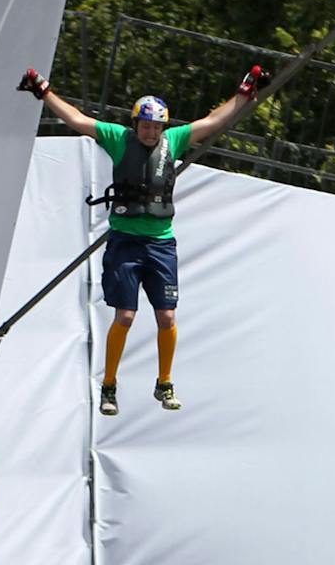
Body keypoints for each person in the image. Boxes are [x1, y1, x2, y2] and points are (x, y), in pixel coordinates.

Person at [17, 64, 265, 415]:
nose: (151, 132)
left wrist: (243, 94)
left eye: (157, 126)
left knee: (167, 316)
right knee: (126, 316)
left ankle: (165, 383)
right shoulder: (118, 139)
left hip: (161, 244)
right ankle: (109, 386)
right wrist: (45, 92)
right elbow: (76, 119)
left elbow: (212, 123)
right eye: (146, 125)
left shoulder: (174, 141)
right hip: (125, 242)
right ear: (135, 125)